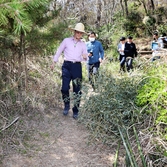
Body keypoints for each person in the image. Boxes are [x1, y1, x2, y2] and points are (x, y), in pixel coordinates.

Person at [50, 23, 88, 119]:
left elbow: (85, 56)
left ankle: (75, 110)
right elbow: (59, 50)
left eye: (81, 33)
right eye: (77, 32)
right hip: (66, 66)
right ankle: (66, 105)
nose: (79, 34)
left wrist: (85, 56)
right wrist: (54, 62)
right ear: (74, 32)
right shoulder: (66, 41)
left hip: (77, 67)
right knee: (64, 88)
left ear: (82, 34)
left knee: (77, 90)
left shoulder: (83, 44)